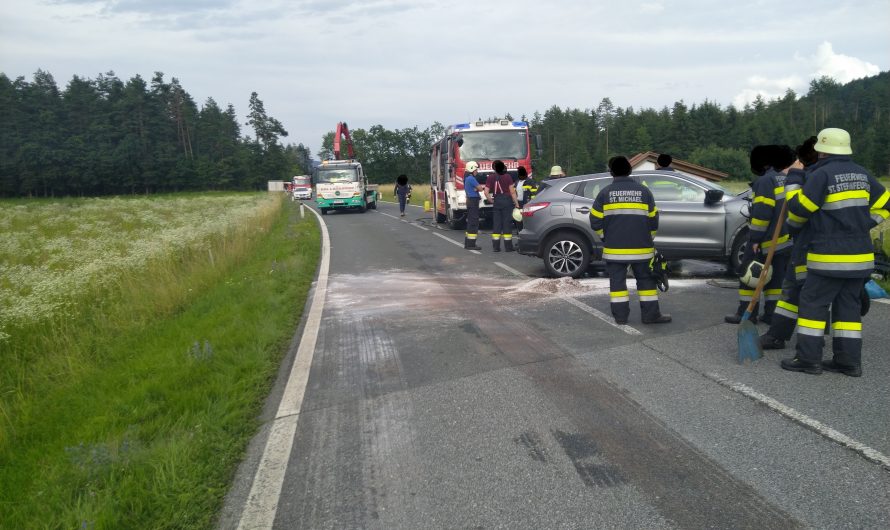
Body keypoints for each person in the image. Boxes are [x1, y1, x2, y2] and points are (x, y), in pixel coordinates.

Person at [780, 128, 888, 376]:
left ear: (821, 149)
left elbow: (799, 209)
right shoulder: (862, 173)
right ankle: (848, 362)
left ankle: (808, 360)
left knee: (813, 305)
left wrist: (795, 177)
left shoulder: (822, 174)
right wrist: (866, 223)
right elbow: (886, 202)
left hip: (828, 257)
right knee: (848, 309)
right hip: (860, 257)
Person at [589, 156, 671, 325]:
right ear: (630, 170)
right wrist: (649, 238)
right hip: (642, 249)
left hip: (615, 251)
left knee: (617, 284)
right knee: (646, 283)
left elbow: (594, 220)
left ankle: (620, 317)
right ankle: (650, 316)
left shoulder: (605, 193)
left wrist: (605, 237)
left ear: (612, 172)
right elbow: (654, 220)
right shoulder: (644, 192)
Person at [759, 136, 818, 350]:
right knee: (822, 297)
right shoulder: (846, 174)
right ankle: (840, 353)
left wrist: (794, 174)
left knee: (797, 291)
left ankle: (800, 346)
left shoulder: (812, 177)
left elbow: (797, 212)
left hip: (809, 249)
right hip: (838, 251)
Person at [724, 144, 795, 324]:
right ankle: (771, 315)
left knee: (748, 274)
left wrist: (755, 239)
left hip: (765, 241)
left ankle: (747, 313)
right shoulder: (785, 179)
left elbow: (762, 214)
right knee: (775, 281)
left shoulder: (765, 182)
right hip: (784, 241)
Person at [485, 160, 520, 252]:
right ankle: (508, 247)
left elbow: (486, 192)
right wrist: (516, 204)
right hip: (507, 202)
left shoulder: (490, 177)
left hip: (497, 201)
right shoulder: (507, 176)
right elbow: (512, 192)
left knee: (497, 224)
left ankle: (496, 247)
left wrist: (491, 200)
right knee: (506, 224)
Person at [463, 161, 485, 250]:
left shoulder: (467, 178)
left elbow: (477, 189)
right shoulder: (471, 178)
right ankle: (471, 245)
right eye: (476, 169)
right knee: (473, 222)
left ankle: (468, 243)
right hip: (473, 202)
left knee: (471, 222)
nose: (477, 171)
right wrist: (477, 188)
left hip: (470, 201)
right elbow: (480, 188)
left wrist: (476, 189)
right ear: (472, 169)